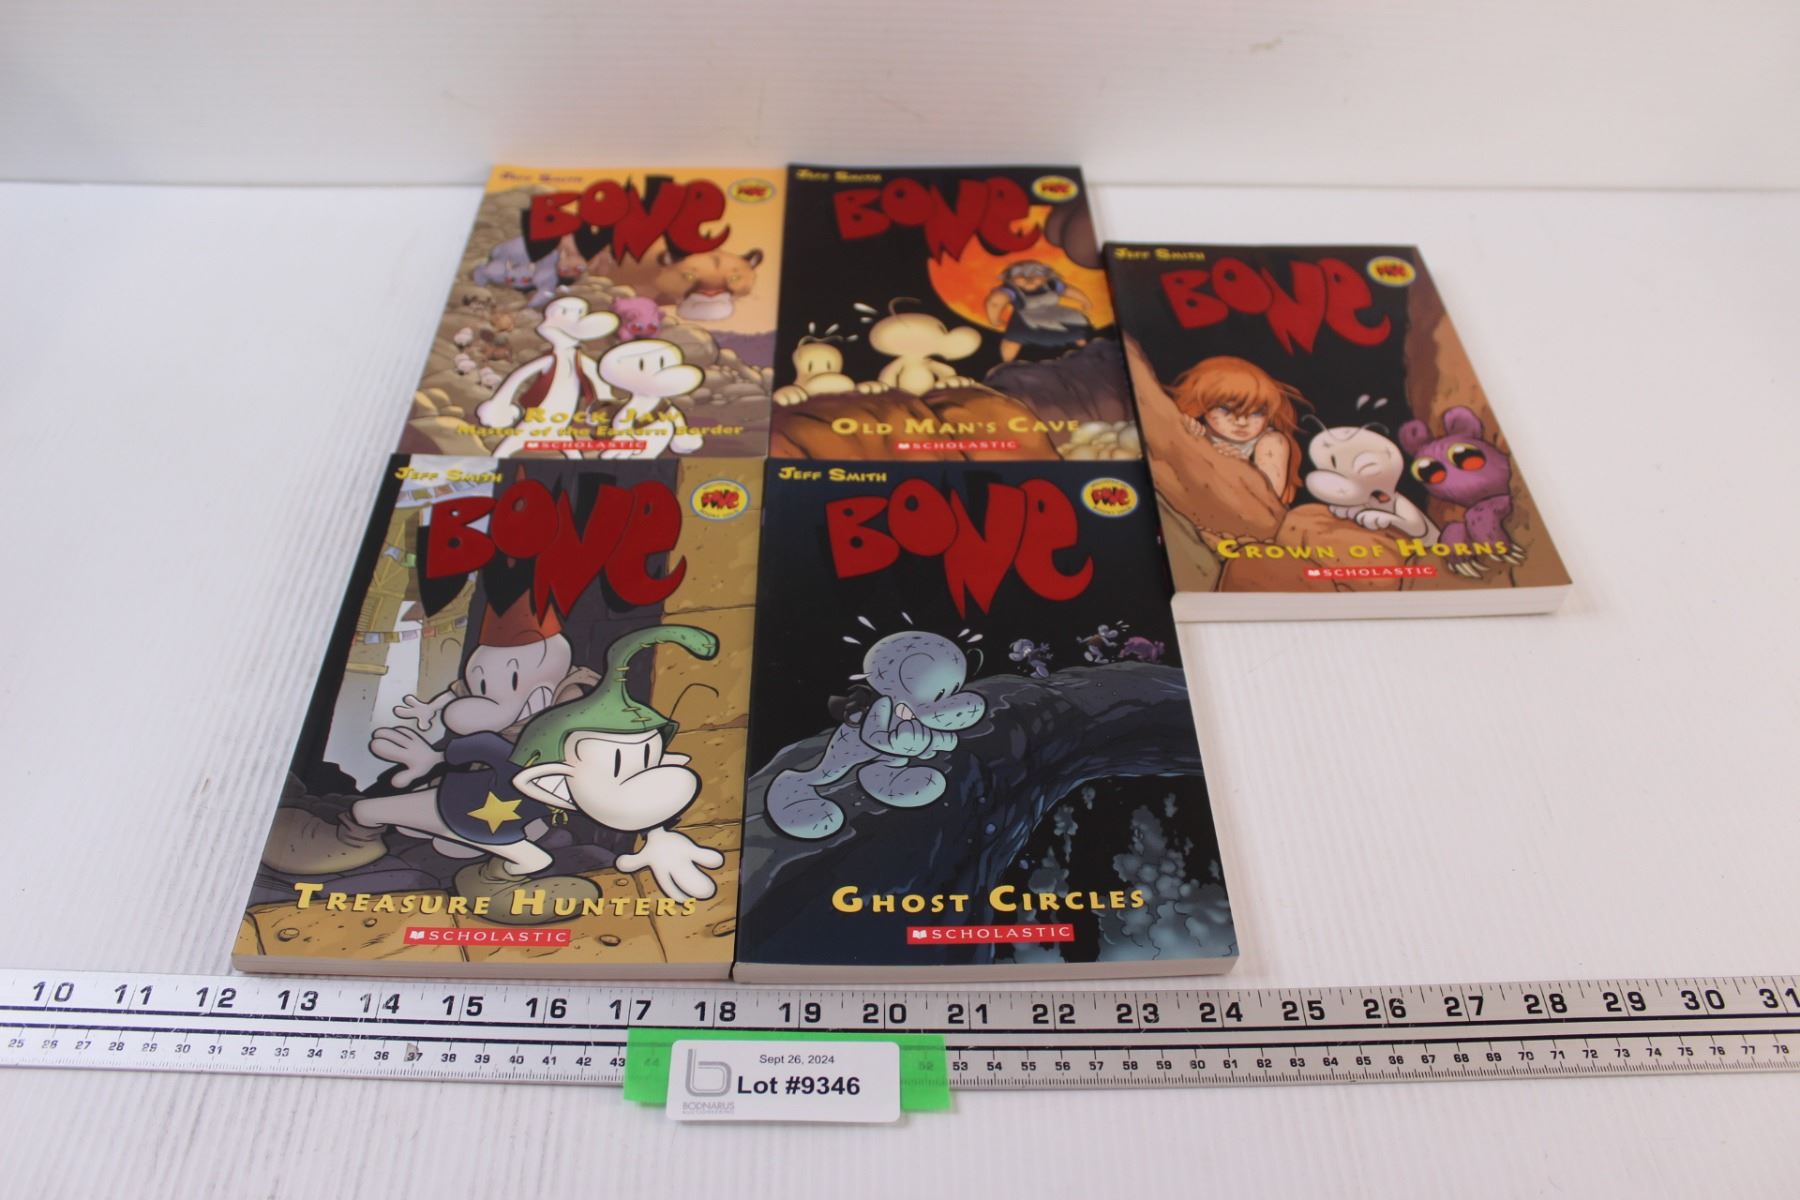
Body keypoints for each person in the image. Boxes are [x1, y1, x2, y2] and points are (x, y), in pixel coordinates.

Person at [1169, 355, 1309, 504]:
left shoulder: (1272, 441)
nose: (1242, 422)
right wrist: (1185, 437)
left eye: (1257, 413)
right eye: (1225, 409)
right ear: (1202, 404)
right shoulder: (1197, 431)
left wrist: (1244, 469)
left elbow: (1271, 498)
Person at [985, 260, 1093, 361]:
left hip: (1056, 314)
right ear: (1010, 279)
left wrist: (1085, 301)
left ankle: (1085, 350)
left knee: (1079, 330)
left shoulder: (1051, 284)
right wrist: (995, 320)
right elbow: (994, 303)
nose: (1028, 279)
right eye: (1020, 276)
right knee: (1012, 341)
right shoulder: (1011, 290)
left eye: (1035, 275)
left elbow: (1068, 290)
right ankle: (1006, 362)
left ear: (1046, 277)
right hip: (1025, 319)